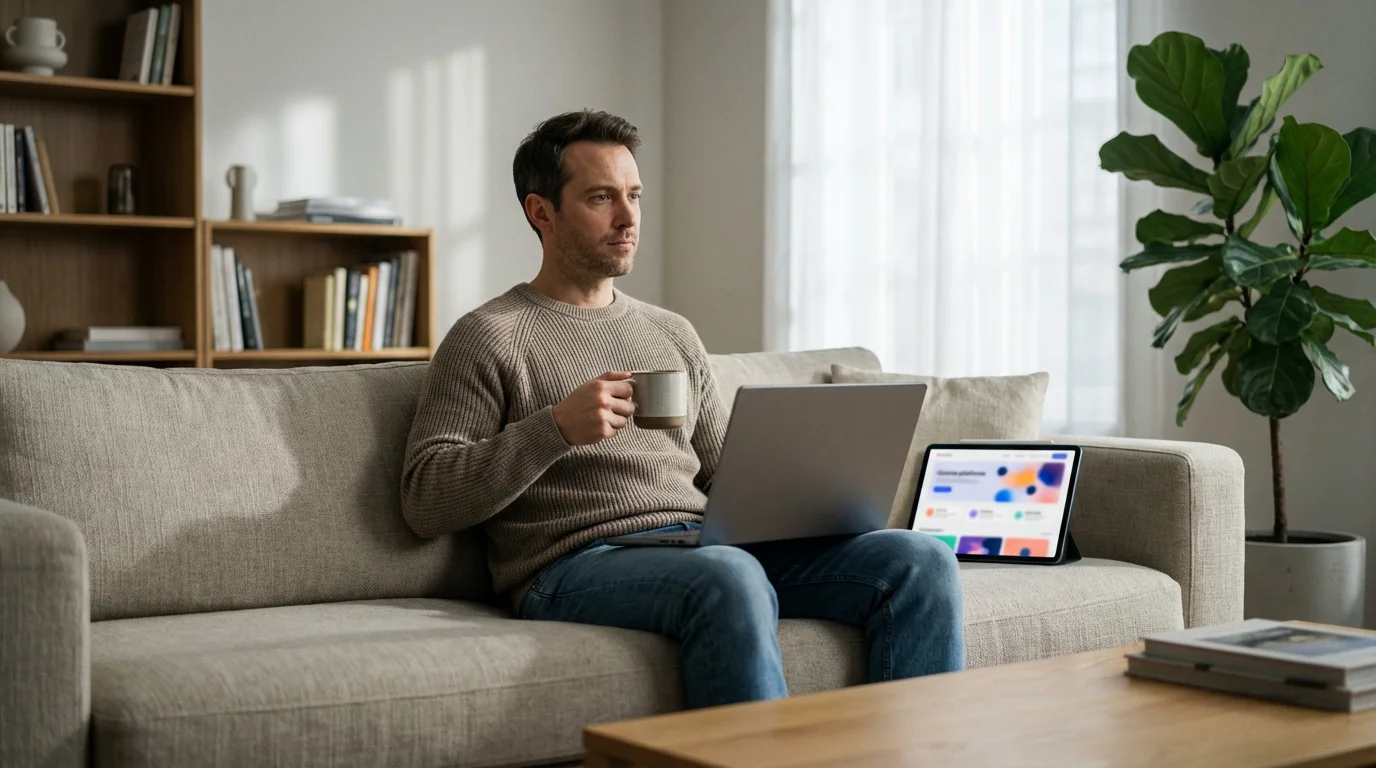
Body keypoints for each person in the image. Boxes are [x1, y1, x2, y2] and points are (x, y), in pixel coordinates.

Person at [401, 109, 964, 709]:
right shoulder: (490, 334)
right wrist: (554, 430)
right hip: (573, 565)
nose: (628, 218)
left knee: (919, 560)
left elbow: (723, 472)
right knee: (730, 576)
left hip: (699, 543)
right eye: (600, 198)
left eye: (635, 196)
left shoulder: (670, 331)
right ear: (541, 212)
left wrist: (813, 491)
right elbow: (425, 498)